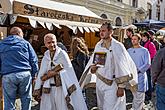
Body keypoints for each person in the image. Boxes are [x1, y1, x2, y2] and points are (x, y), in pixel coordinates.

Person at [80, 22, 138, 110]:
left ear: (111, 32)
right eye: (100, 31)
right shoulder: (98, 45)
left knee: (111, 107)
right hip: (99, 83)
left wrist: (121, 87)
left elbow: (122, 67)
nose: (101, 33)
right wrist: (93, 68)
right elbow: (93, 65)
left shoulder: (118, 46)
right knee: (102, 107)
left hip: (112, 84)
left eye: (104, 30)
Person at [33, 33, 87, 110]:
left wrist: (55, 73)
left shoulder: (62, 54)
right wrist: (38, 87)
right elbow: (41, 73)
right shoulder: (46, 56)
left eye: (53, 42)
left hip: (60, 88)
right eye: (49, 43)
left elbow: (69, 71)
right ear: (45, 44)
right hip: (47, 88)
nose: (52, 44)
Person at [0, 27, 38, 110]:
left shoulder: (1, 44)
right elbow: (34, 60)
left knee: (9, 101)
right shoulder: (25, 43)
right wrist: (34, 75)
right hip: (24, 74)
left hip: (8, 75)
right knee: (26, 99)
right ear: (19, 34)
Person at [127, 34, 151, 110]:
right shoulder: (129, 51)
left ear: (139, 40)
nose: (133, 41)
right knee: (135, 95)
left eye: (135, 39)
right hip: (131, 77)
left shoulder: (144, 51)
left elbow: (147, 63)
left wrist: (138, 70)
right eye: (132, 39)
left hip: (140, 76)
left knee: (139, 95)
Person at [141, 31, 157, 102]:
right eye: (142, 36)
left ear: (147, 37)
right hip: (144, 65)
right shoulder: (143, 43)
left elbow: (153, 54)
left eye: (144, 36)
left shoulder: (150, 44)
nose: (142, 38)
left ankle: (149, 94)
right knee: (146, 79)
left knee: (149, 79)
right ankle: (146, 93)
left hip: (148, 65)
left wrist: (146, 59)